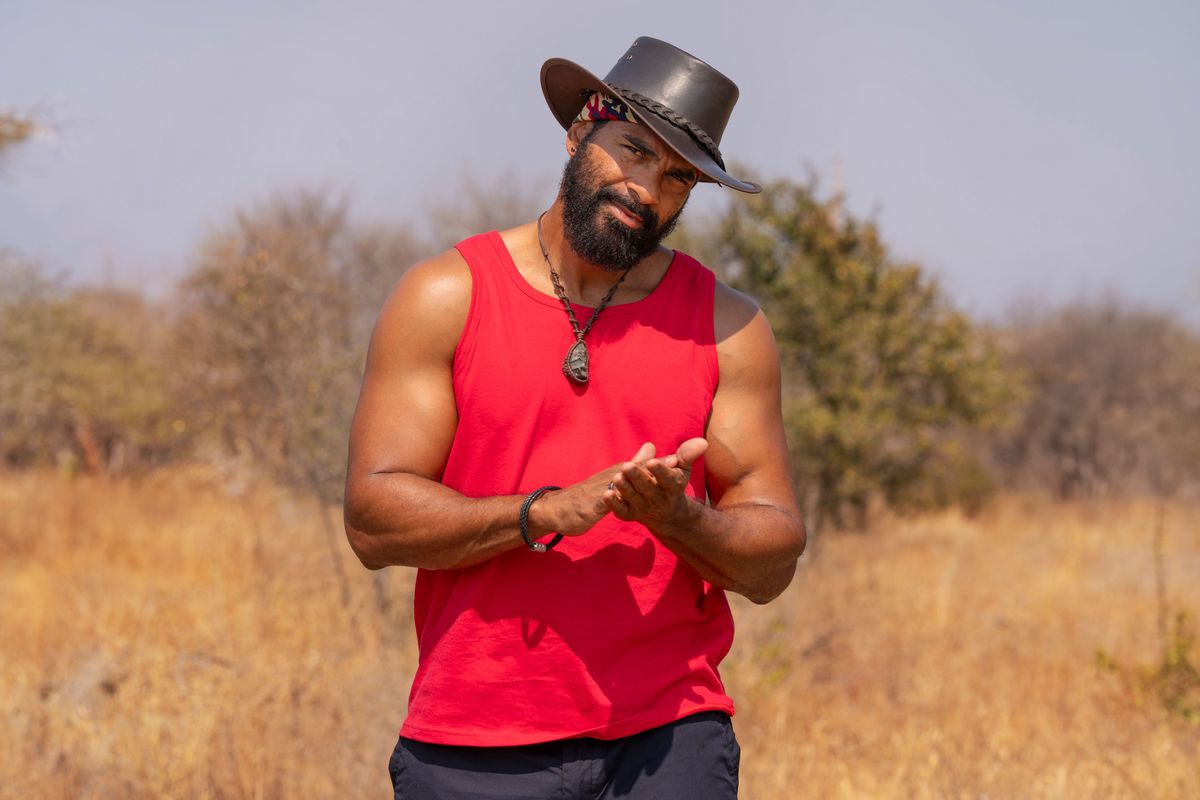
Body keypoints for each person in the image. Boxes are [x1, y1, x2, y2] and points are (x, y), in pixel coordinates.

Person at [344, 36, 805, 799]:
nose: (646, 188)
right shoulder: (447, 296)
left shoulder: (728, 326)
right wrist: (545, 511)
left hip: (668, 737)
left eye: (678, 176)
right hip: (474, 742)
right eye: (633, 150)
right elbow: (372, 521)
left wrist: (677, 518)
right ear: (581, 129)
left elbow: (773, 560)